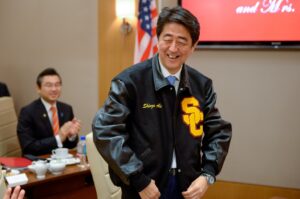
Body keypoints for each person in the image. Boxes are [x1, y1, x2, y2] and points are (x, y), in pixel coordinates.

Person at [92, 6, 232, 199]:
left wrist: (207, 174)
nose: (173, 48)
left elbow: (218, 132)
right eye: (168, 39)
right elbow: (106, 130)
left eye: (182, 41)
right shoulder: (129, 82)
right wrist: (139, 179)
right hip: (145, 188)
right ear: (158, 39)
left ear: (193, 46)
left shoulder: (202, 85)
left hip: (187, 187)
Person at [17, 68, 81, 156]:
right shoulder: (27, 112)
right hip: (38, 163)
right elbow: (28, 147)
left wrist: (71, 136)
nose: (54, 89)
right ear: (38, 88)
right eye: (49, 85)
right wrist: (59, 138)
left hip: (63, 161)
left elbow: (70, 145)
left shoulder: (66, 109)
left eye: (57, 85)